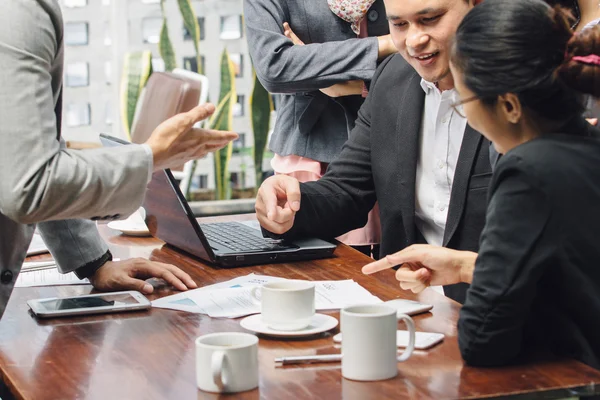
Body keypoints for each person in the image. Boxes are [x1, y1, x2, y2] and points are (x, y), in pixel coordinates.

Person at [363, 0, 600, 369]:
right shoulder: (584, 148)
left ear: (508, 107)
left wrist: (487, 272)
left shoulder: (527, 172)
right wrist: (469, 266)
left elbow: (483, 340)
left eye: (464, 101)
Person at [0, 1, 238, 319]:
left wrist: (95, 263)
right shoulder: (20, 11)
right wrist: (149, 157)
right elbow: (30, 182)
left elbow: (26, 148)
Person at [255, 0, 490, 304]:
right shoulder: (394, 79)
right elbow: (346, 191)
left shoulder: (525, 92)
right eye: (400, 25)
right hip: (408, 309)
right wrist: (290, 202)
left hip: (505, 319)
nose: (414, 40)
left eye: (430, 19)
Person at [244, 0, 399, 257]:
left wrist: (338, 81)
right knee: (315, 277)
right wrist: (386, 44)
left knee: (395, 278)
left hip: (394, 141)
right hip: (309, 151)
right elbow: (275, 67)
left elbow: (425, 53)